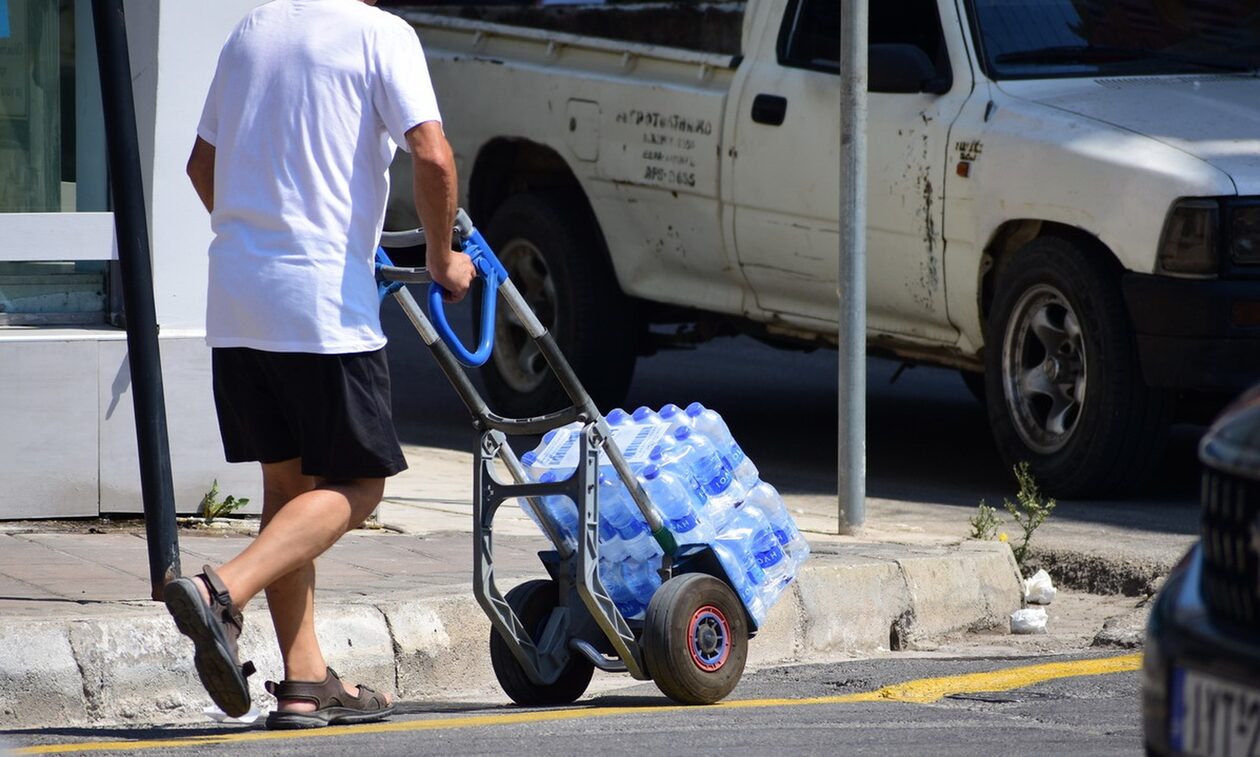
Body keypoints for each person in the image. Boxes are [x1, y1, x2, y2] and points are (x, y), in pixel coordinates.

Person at [165, 0, 475, 730]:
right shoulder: (381, 34)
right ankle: (221, 590)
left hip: (238, 298)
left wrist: (259, 239)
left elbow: (201, 165)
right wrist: (441, 258)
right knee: (360, 485)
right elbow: (432, 153)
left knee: (286, 487)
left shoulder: (251, 31)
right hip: (321, 308)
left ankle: (305, 681)